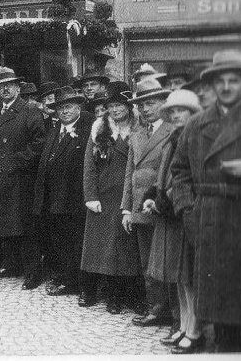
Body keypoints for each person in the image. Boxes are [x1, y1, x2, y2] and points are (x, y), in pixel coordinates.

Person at [170, 50, 241, 352]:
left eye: (233, 80)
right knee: (219, 310)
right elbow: (179, 171)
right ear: (211, 86)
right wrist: (187, 209)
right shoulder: (196, 125)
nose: (226, 87)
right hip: (207, 220)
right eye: (219, 81)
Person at [141, 89, 202, 353]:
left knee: (189, 276)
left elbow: (189, 179)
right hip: (171, 213)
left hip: (184, 212)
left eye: (183, 111)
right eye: (173, 111)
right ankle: (184, 325)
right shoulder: (174, 138)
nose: (177, 115)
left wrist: (162, 200)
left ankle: (194, 329)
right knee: (179, 277)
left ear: (193, 113)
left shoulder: (196, 139)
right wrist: (152, 195)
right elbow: (164, 174)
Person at [0, 67, 46, 287]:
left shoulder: (29, 110)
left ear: (17, 87)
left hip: (20, 179)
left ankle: (33, 272)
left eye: (9, 85)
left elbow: (39, 143)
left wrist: (16, 161)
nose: (4, 90)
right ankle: (11, 265)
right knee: (4, 226)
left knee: (24, 228)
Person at [81, 84, 142, 313]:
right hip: (104, 197)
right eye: (111, 106)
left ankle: (130, 296)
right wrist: (91, 196)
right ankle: (106, 295)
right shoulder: (99, 128)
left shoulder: (139, 127)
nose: (115, 110)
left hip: (129, 196)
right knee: (102, 249)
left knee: (127, 249)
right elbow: (89, 166)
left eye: (119, 105)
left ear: (128, 105)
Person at [122, 76, 174, 324]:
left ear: (164, 102)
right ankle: (155, 307)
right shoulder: (137, 132)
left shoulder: (172, 130)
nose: (145, 109)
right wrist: (125, 209)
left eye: (151, 103)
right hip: (138, 206)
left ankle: (170, 311)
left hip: (162, 203)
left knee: (165, 258)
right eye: (141, 105)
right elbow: (129, 173)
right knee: (146, 260)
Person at [32, 87, 91, 296]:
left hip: (75, 198)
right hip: (53, 198)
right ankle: (65, 276)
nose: (64, 112)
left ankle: (78, 283)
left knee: (76, 241)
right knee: (60, 241)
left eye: (69, 107)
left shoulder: (87, 130)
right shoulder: (55, 130)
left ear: (78, 107)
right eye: (60, 108)